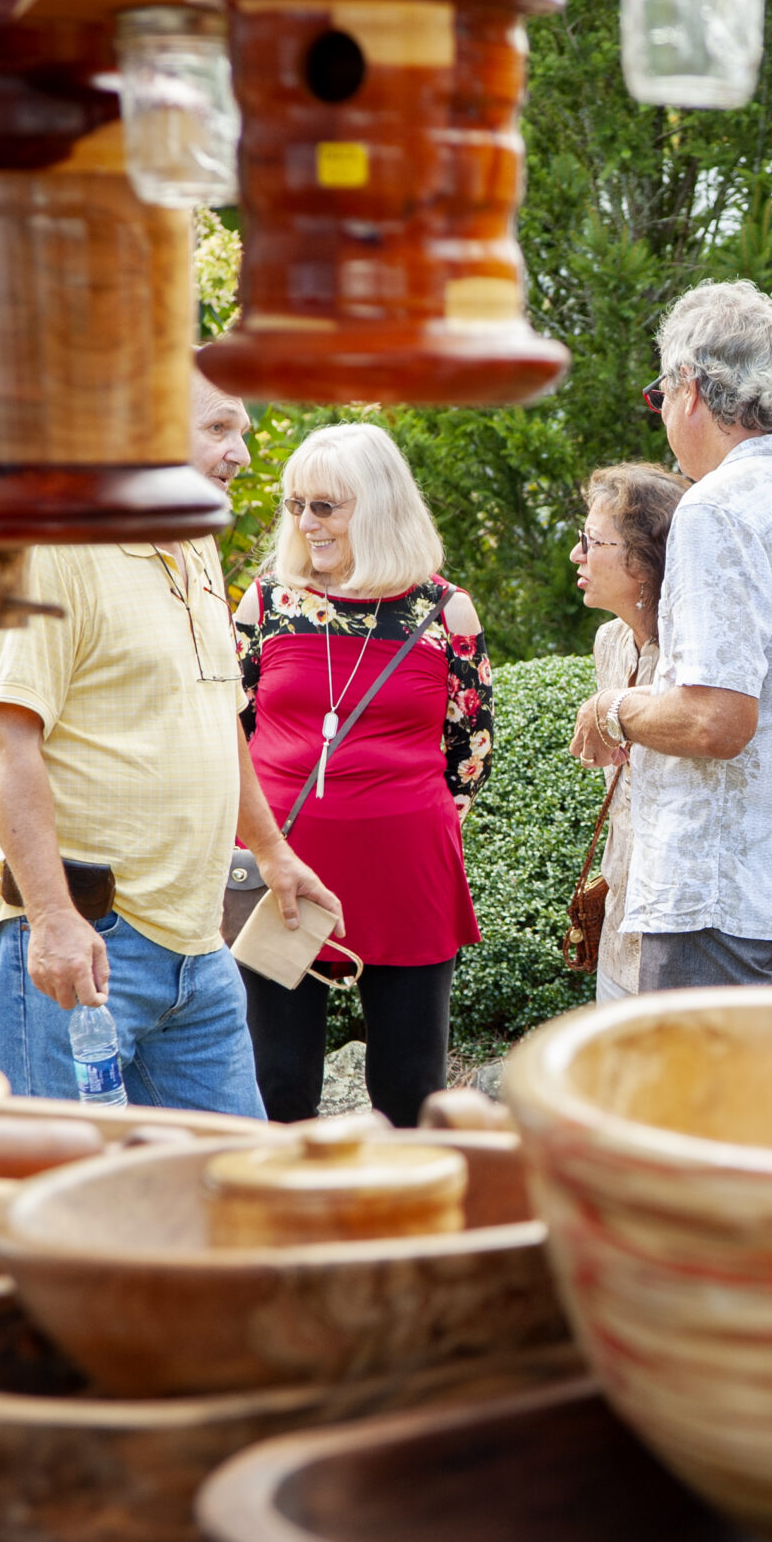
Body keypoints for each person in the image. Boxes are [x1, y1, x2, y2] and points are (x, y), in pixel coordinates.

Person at [0, 368, 342, 1115]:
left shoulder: (192, 541)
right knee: (67, 1197)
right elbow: (3, 740)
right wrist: (52, 919)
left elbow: (216, 711)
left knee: (231, 1191)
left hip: (197, 946)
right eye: (218, 430)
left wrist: (272, 851)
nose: (242, 453)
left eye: (242, 432)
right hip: (84, 939)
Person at [571, 280, 772, 989]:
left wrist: (612, 710)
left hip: (718, 899)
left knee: (690, 1104)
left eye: (659, 397)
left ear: (688, 386)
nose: (661, 418)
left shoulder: (719, 507)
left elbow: (717, 720)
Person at [232, 425, 491, 1125]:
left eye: (326, 506)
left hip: (406, 871)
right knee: (276, 1084)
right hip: (280, 867)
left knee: (411, 1088)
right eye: (296, 506)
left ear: (377, 505)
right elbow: (229, 729)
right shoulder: (268, 604)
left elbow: (469, 750)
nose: (306, 523)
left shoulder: (444, 612)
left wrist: (390, 814)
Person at [572, 463, 687, 1003]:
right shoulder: (610, 642)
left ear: (642, 562)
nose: (577, 555)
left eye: (591, 541)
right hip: (618, 914)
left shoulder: (692, 659)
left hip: (682, 929)